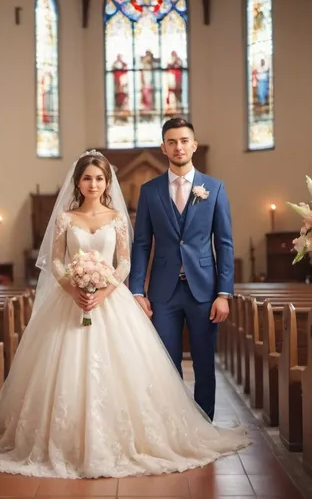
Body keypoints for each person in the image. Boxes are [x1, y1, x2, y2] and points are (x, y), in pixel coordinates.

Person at [0, 150, 249, 479]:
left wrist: (103, 290)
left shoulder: (118, 218)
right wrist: (73, 287)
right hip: (70, 302)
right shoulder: (65, 218)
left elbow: (125, 263)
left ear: (108, 183)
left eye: (99, 178)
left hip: (110, 301)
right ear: (78, 181)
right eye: (87, 177)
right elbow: (56, 261)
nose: (93, 184)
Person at [129, 118, 234, 422]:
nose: (179, 147)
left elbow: (225, 243)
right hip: (163, 292)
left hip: (204, 291)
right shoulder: (150, 191)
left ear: (194, 145)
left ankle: (204, 426)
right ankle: (173, 427)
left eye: (184, 140)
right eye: (172, 142)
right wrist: (137, 290)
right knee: (166, 363)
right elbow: (141, 244)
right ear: (163, 148)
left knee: (204, 363)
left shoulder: (214, 188)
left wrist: (224, 293)